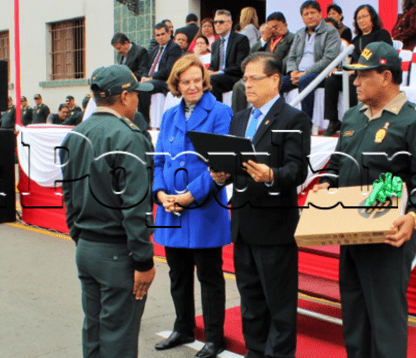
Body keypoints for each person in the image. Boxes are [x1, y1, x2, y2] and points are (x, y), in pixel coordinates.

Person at [313, 41, 416, 358]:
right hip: (350, 230)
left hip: (389, 235)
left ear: (385, 76)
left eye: (362, 75)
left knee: (385, 322)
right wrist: (325, 185)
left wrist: (413, 216)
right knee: (355, 317)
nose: (355, 82)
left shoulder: (415, 122)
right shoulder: (354, 117)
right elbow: (337, 163)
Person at [209, 52, 311, 358]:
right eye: (245, 79)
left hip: (275, 228)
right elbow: (233, 166)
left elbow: (297, 171)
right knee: (251, 304)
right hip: (243, 226)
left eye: (254, 78)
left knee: (279, 307)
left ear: (275, 79)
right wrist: (222, 174)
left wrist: (271, 176)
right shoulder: (239, 118)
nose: (247, 85)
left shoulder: (293, 118)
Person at [60, 64, 156, 358]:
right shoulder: (129, 137)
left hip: (87, 247)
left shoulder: (76, 134)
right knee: (119, 338)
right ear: (124, 96)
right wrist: (143, 261)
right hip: (117, 253)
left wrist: (81, 238)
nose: (139, 100)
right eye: (136, 94)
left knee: (95, 331)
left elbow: (69, 197)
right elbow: (135, 207)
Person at [152, 54, 232, 358]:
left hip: (204, 208)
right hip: (170, 208)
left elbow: (219, 165)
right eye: (185, 81)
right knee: (178, 274)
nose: (192, 86)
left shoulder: (220, 111)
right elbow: (159, 159)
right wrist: (161, 195)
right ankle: (183, 326)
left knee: (210, 276)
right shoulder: (169, 116)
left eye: (197, 80)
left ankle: (214, 337)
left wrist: (188, 196)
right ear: (176, 84)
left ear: (204, 80)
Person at [322, 4, 392, 136]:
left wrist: (358, 70)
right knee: (331, 81)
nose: (361, 20)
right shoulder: (355, 40)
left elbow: (385, 55)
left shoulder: (381, 34)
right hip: (356, 73)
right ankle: (333, 121)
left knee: (351, 83)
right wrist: (339, 68)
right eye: (358, 18)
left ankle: (353, 121)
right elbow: (348, 60)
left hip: (374, 72)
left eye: (364, 16)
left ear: (373, 18)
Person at [283, 1, 341, 122]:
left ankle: (306, 123)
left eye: (313, 12)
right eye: (306, 14)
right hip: (298, 73)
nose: (309, 16)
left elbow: (329, 59)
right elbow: (291, 56)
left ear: (320, 14)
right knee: (277, 83)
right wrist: (292, 72)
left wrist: (305, 73)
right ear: (302, 18)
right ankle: (279, 120)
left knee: (305, 80)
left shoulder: (331, 32)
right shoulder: (299, 33)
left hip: (320, 74)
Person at [232, 12, 295, 113]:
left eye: (275, 27)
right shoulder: (267, 40)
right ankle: (238, 119)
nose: (273, 31)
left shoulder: (292, 39)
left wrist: (270, 70)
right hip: (259, 74)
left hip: (277, 73)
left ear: (285, 25)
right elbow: (251, 56)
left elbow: (290, 59)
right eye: (269, 28)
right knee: (239, 86)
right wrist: (263, 39)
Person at [137, 22, 183, 123]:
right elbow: (146, 67)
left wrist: (151, 77)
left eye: (163, 34)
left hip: (164, 81)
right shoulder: (154, 50)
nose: (161, 37)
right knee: (136, 86)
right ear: (154, 37)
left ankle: (144, 121)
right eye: (158, 35)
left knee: (143, 87)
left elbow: (169, 70)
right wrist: (144, 76)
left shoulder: (174, 48)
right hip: (152, 80)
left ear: (169, 33)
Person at [208, 10, 251, 103]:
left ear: (230, 23)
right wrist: (207, 71)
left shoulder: (241, 39)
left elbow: (241, 66)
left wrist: (220, 72)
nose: (217, 25)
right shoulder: (215, 44)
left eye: (221, 22)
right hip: (218, 78)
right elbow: (213, 66)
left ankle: (217, 112)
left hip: (234, 77)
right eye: (215, 22)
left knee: (212, 79)